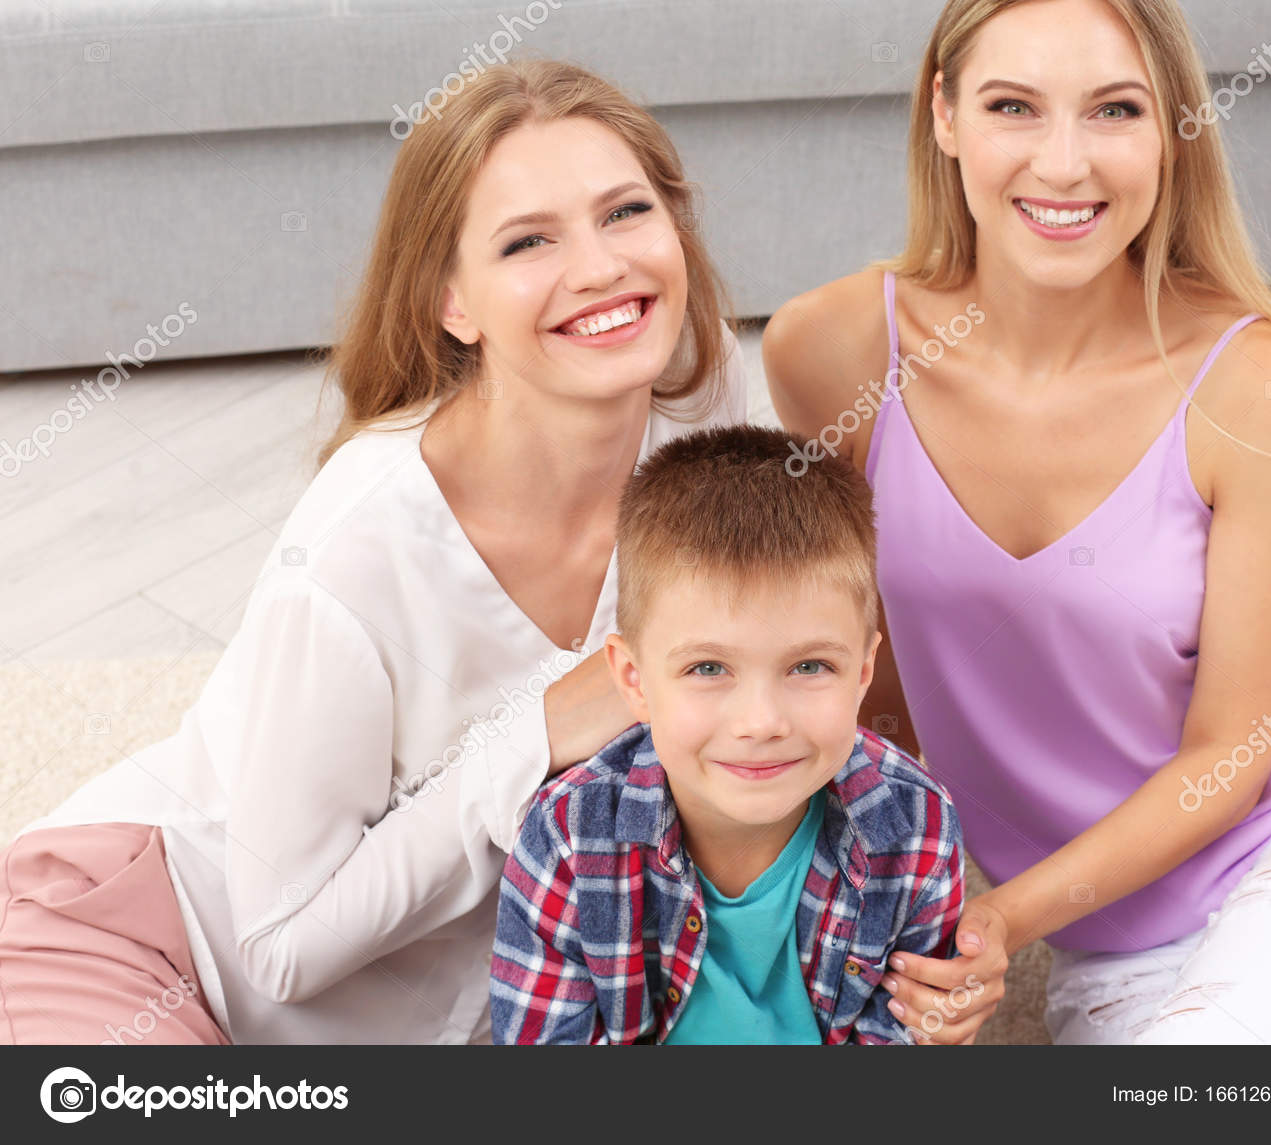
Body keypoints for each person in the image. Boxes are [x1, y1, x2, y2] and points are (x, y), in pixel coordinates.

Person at [764, 0, 1271, 1044]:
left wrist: (1000, 917)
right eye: (1014, 106)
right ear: (944, 113)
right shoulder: (833, 351)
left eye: (1114, 110)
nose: (1064, 164)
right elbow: (871, 676)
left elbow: (1236, 750)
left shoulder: (1253, 385)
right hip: (1114, 937)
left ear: (1172, 133)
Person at [0, 58, 746, 1044]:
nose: (603, 266)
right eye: (528, 240)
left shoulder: (699, 415)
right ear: (453, 303)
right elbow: (279, 943)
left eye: (626, 212)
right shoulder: (360, 542)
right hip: (144, 942)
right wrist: (533, 737)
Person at [490, 424, 965, 1044]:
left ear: (864, 673)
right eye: (708, 668)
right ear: (633, 679)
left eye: (809, 666)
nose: (761, 722)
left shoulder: (914, 825)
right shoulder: (567, 839)